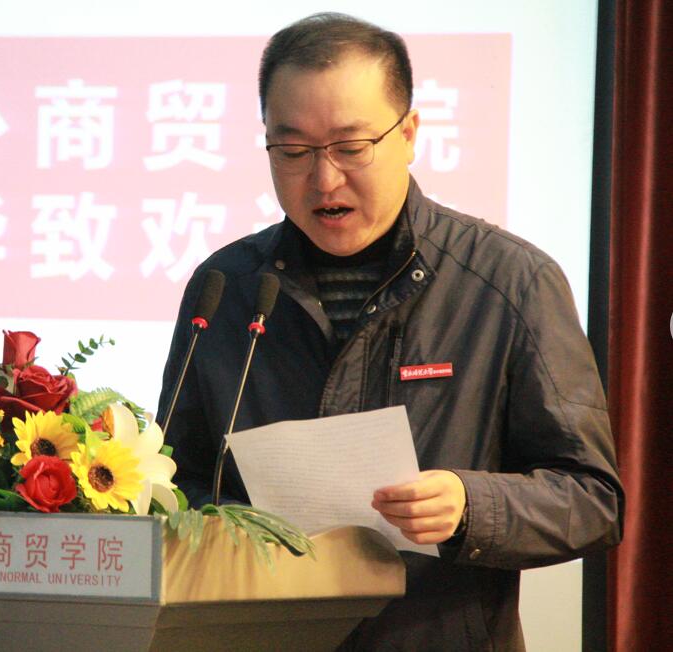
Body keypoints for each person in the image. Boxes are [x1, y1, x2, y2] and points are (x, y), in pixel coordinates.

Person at [155, 12, 623, 651]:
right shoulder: (226, 289)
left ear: (408, 134)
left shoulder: (509, 282)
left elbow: (592, 500)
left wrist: (469, 505)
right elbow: (173, 478)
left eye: (351, 148)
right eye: (293, 151)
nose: (324, 179)